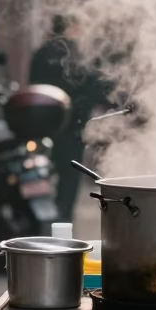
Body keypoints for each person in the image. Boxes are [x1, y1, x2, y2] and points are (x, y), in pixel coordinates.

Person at [29, 16, 110, 223]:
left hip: (43, 127)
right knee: (69, 177)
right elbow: (95, 88)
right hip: (73, 126)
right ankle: (63, 219)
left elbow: (33, 86)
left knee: (40, 172)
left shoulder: (41, 53)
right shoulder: (81, 54)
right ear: (72, 27)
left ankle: (40, 218)